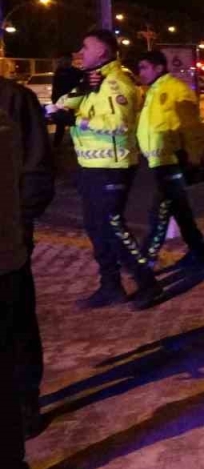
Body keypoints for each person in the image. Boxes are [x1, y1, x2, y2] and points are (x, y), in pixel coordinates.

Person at [49, 29, 160, 310]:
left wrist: (75, 120)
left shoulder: (117, 83)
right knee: (97, 228)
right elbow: (59, 106)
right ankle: (110, 286)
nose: (80, 53)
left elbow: (118, 125)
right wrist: (82, 88)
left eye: (85, 48)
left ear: (102, 52)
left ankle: (147, 282)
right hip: (90, 166)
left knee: (114, 228)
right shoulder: (94, 81)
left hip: (112, 167)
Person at [0, 74, 55, 467]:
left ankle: (25, 404)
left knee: (16, 331)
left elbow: (36, 173)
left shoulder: (13, 101)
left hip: (6, 254)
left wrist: (18, 226)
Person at [135, 51, 204, 270]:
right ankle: (199, 252)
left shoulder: (177, 90)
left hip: (174, 160)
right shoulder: (152, 91)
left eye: (144, 67)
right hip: (159, 161)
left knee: (159, 213)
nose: (141, 73)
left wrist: (193, 159)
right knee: (180, 211)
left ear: (159, 68)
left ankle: (145, 260)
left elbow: (193, 129)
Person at [51, 54, 83, 147]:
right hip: (66, 100)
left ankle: (66, 143)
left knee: (69, 123)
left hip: (71, 99)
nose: (66, 62)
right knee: (63, 124)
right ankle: (59, 144)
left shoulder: (63, 72)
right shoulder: (62, 72)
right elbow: (56, 88)